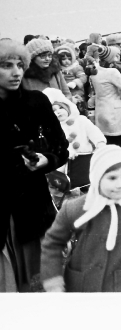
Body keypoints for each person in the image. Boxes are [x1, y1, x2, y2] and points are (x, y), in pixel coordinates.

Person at [40, 145, 121, 292]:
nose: (120, 184)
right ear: (97, 178)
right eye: (112, 178)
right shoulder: (74, 209)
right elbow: (53, 243)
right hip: (85, 281)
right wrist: (53, 278)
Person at [0, 40, 69, 292]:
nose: (16, 72)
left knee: (32, 277)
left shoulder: (36, 101)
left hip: (30, 202)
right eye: (6, 66)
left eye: (19, 65)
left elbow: (61, 148)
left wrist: (46, 159)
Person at [43, 88, 106, 192]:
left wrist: (100, 144)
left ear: (67, 108)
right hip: (65, 165)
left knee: (90, 183)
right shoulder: (54, 128)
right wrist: (65, 152)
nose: (58, 112)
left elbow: (94, 132)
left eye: (60, 108)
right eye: (54, 111)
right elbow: (54, 145)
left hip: (85, 159)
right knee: (67, 188)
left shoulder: (81, 120)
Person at [90, 46, 121, 151]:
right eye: (117, 56)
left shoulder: (95, 71)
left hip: (101, 112)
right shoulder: (112, 72)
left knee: (108, 145)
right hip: (115, 114)